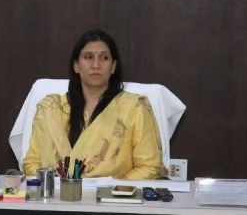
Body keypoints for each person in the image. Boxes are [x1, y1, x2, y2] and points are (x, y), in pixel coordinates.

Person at [22, 29, 165, 179]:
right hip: (57, 192)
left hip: (113, 192)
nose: (96, 65)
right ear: (76, 66)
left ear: (113, 66)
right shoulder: (52, 108)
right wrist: (59, 186)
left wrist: (111, 188)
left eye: (104, 58)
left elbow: (149, 166)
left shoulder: (135, 108)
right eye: (88, 57)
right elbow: (32, 163)